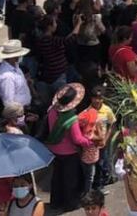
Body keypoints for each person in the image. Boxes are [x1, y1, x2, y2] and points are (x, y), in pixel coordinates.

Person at [45, 84, 93, 212]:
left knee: (57, 177)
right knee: (70, 179)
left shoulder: (51, 110)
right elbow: (77, 139)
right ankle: (70, 204)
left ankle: (56, 202)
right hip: (69, 153)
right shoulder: (71, 118)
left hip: (54, 150)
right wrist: (89, 142)